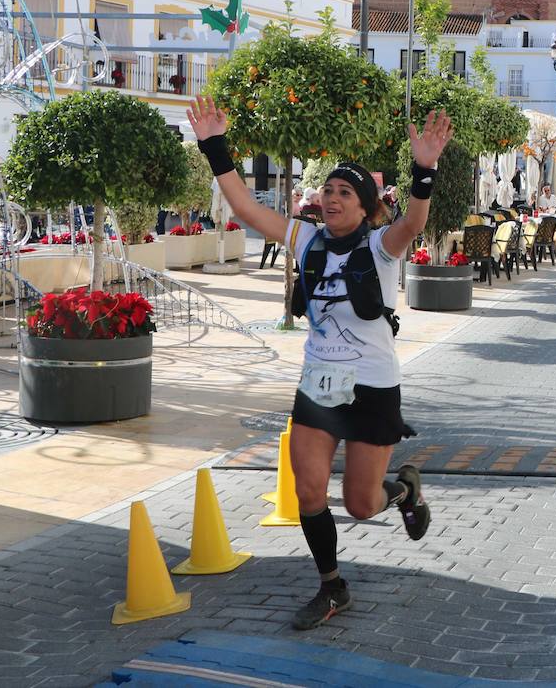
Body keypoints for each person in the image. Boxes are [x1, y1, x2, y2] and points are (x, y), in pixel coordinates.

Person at [186, 95, 454, 632]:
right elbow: (245, 209)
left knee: (361, 504)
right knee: (308, 490)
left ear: (365, 208)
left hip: (372, 387)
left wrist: (424, 169)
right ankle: (332, 587)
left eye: (344, 193)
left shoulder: (381, 247)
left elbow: (414, 221)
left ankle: (404, 490)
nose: (332, 198)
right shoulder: (305, 238)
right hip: (318, 385)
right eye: (328, 190)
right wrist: (214, 145)